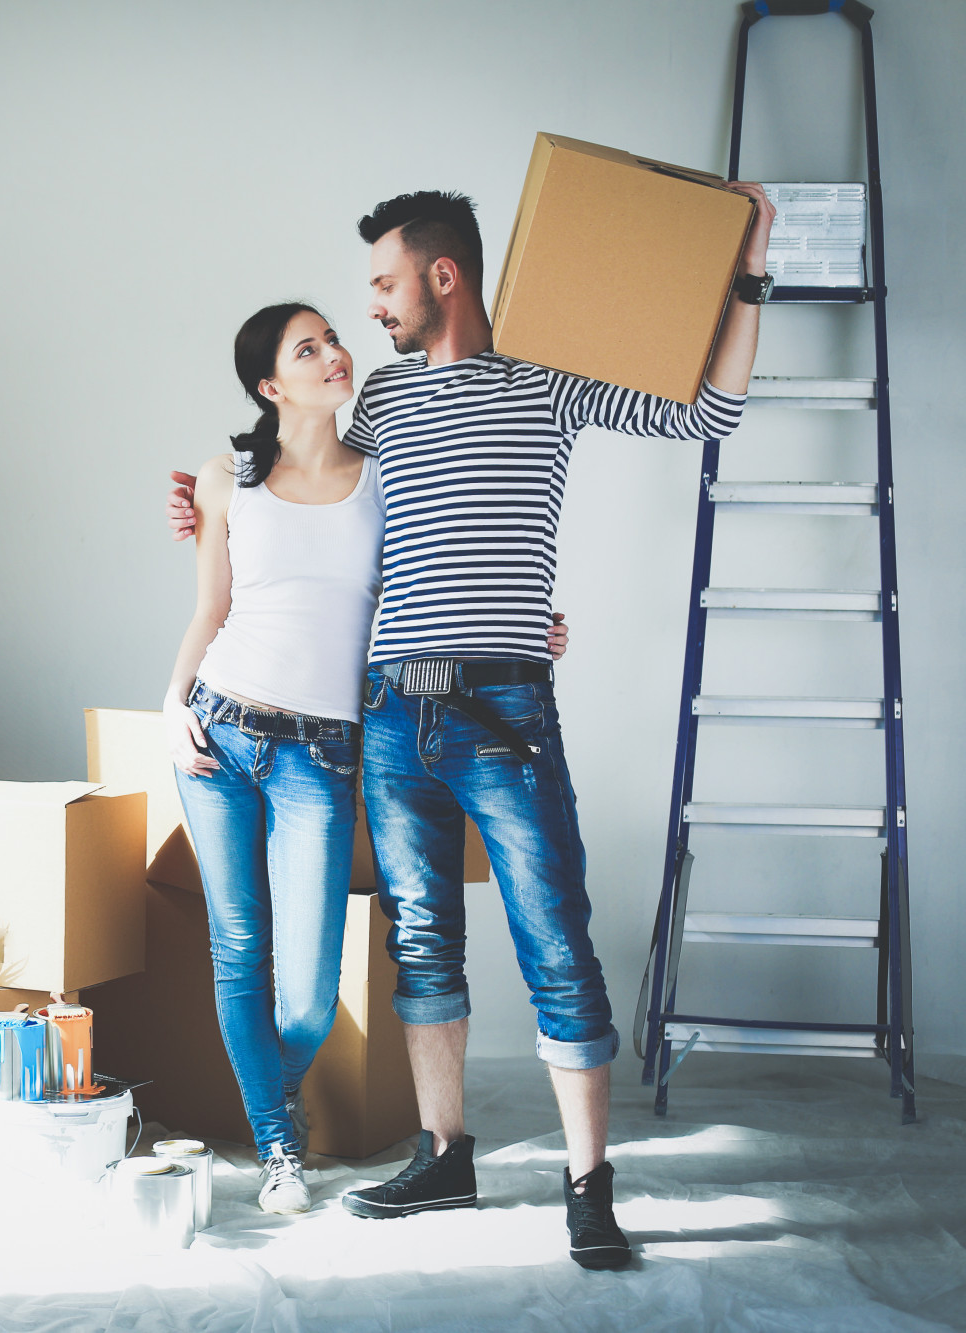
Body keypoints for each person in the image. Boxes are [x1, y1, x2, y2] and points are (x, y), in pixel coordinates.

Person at [166, 184, 774, 1267]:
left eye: (384, 284)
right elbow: (298, 483)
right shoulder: (382, 403)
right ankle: (444, 1154)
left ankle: (588, 1181)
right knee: (421, 944)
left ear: (440, 277)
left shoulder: (548, 382)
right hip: (389, 710)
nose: (372, 310)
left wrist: (749, 269)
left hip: (501, 705)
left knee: (553, 939)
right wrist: (205, 502)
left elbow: (706, 416)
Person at [164, 301, 568, 1216]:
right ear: (272, 386)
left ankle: (263, 1090)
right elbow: (210, 608)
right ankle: (278, 1145)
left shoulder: (388, 475)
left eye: (333, 339)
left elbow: (454, 569)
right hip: (219, 729)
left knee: (305, 997)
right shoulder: (230, 477)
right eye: (308, 350)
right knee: (239, 953)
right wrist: (169, 703)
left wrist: (522, 622)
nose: (335, 354)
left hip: (322, 751)